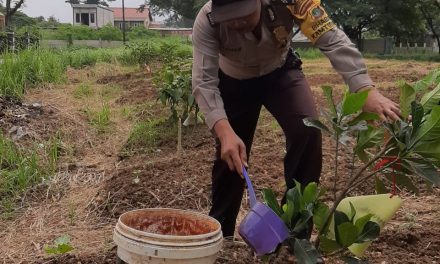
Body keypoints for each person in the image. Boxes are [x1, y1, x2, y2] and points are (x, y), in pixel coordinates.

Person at [191, 0, 401, 237]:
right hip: (233, 81)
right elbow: (203, 81)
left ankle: (295, 234)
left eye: (244, 13)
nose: (237, 21)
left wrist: (364, 89)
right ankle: (220, 234)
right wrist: (224, 131)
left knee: (308, 130)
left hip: (280, 72)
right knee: (230, 155)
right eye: (229, 16)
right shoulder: (207, 20)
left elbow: (331, 38)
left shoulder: (292, 2)